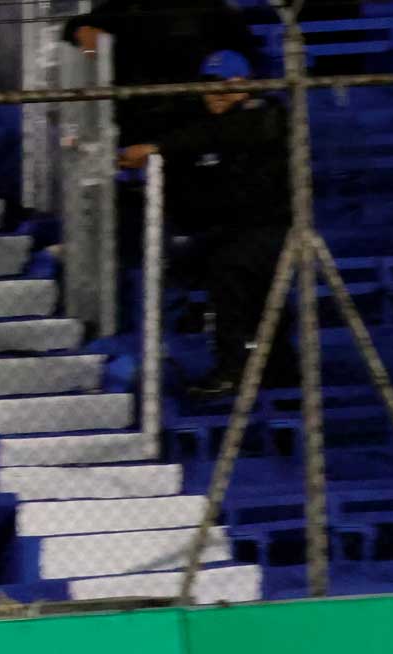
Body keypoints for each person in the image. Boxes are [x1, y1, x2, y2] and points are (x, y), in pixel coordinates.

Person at [117, 51, 294, 399]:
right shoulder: (201, 128)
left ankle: (242, 370)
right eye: (210, 87)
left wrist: (157, 148)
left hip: (271, 231)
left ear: (246, 87)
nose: (218, 94)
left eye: (228, 87)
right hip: (227, 232)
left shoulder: (265, 113)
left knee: (233, 269)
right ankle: (253, 368)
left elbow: (224, 133)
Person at [64, 0, 264, 144]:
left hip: (189, 125)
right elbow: (74, 27)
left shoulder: (218, 10)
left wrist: (234, 90)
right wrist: (86, 37)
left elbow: (252, 68)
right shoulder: (129, 6)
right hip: (131, 121)